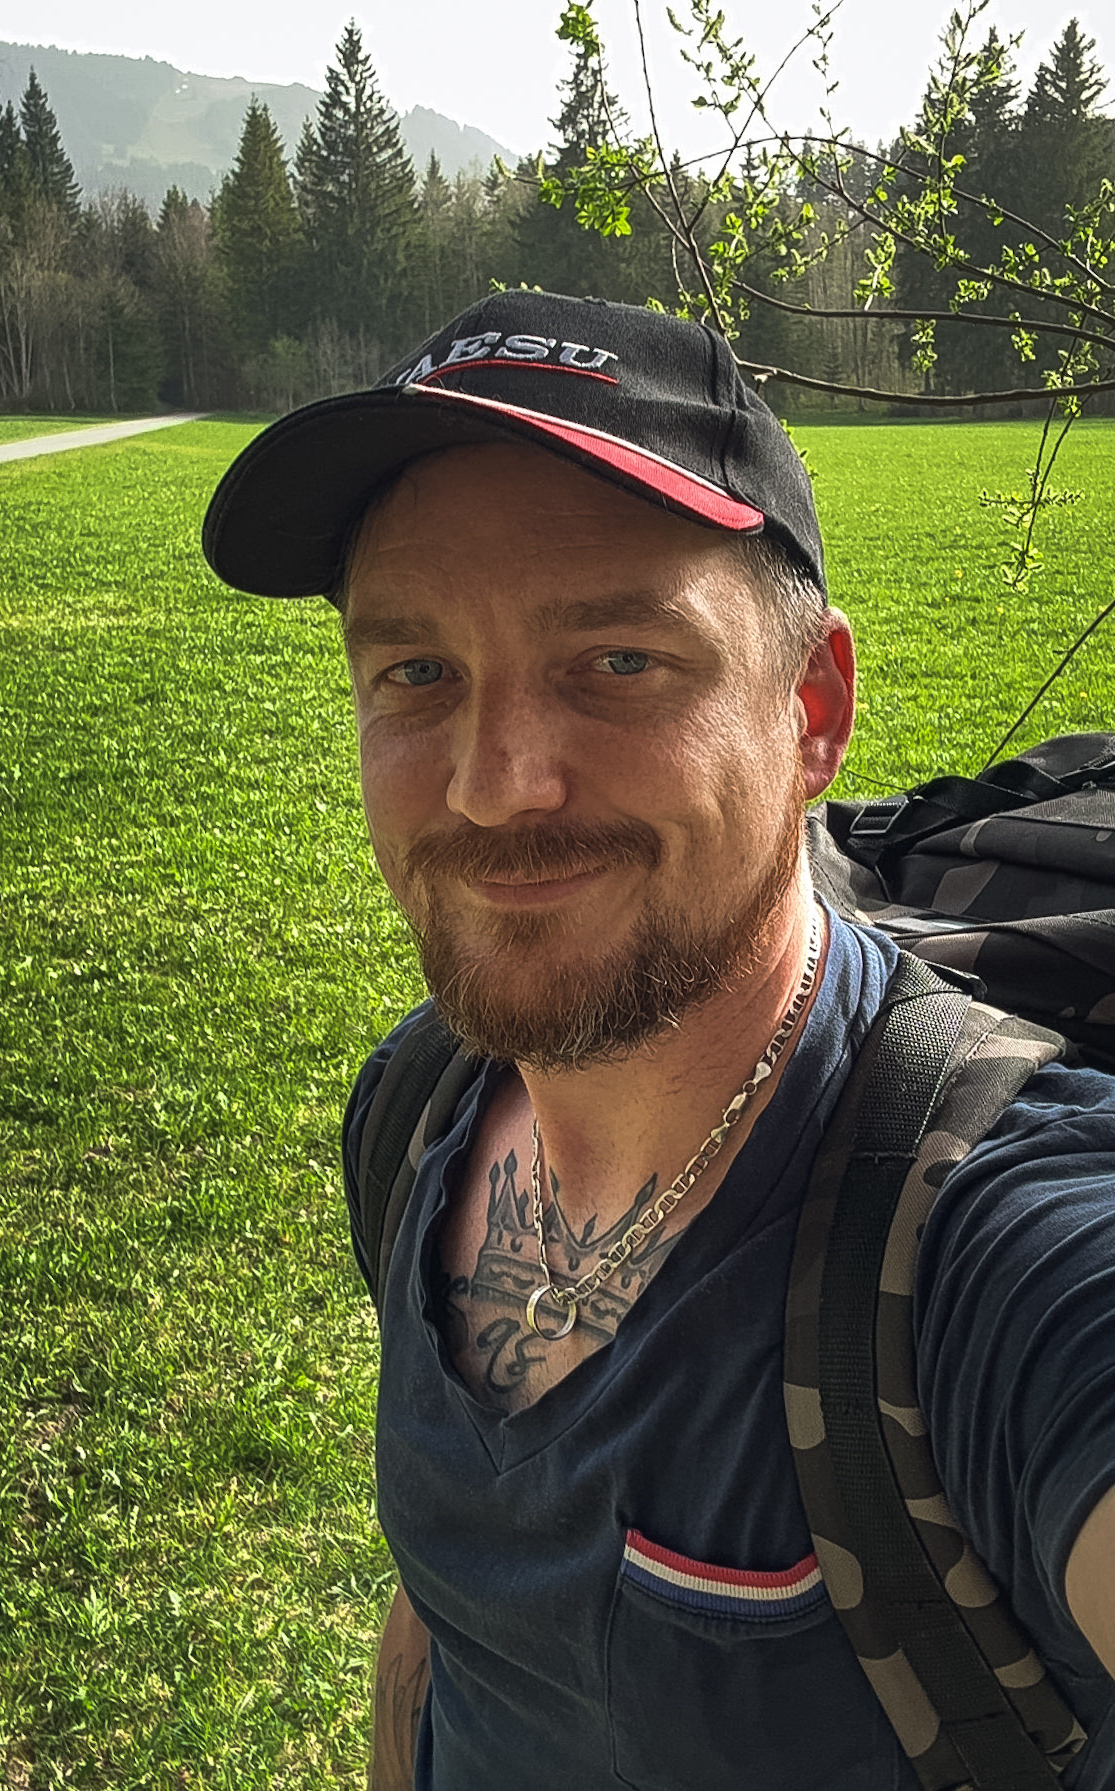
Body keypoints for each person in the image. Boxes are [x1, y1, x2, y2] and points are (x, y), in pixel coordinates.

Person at [203, 291, 1115, 1790]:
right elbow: (451, 1611)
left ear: (811, 713)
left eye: (619, 661)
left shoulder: (982, 1250)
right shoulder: (420, 1108)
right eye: (417, 672)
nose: (495, 785)